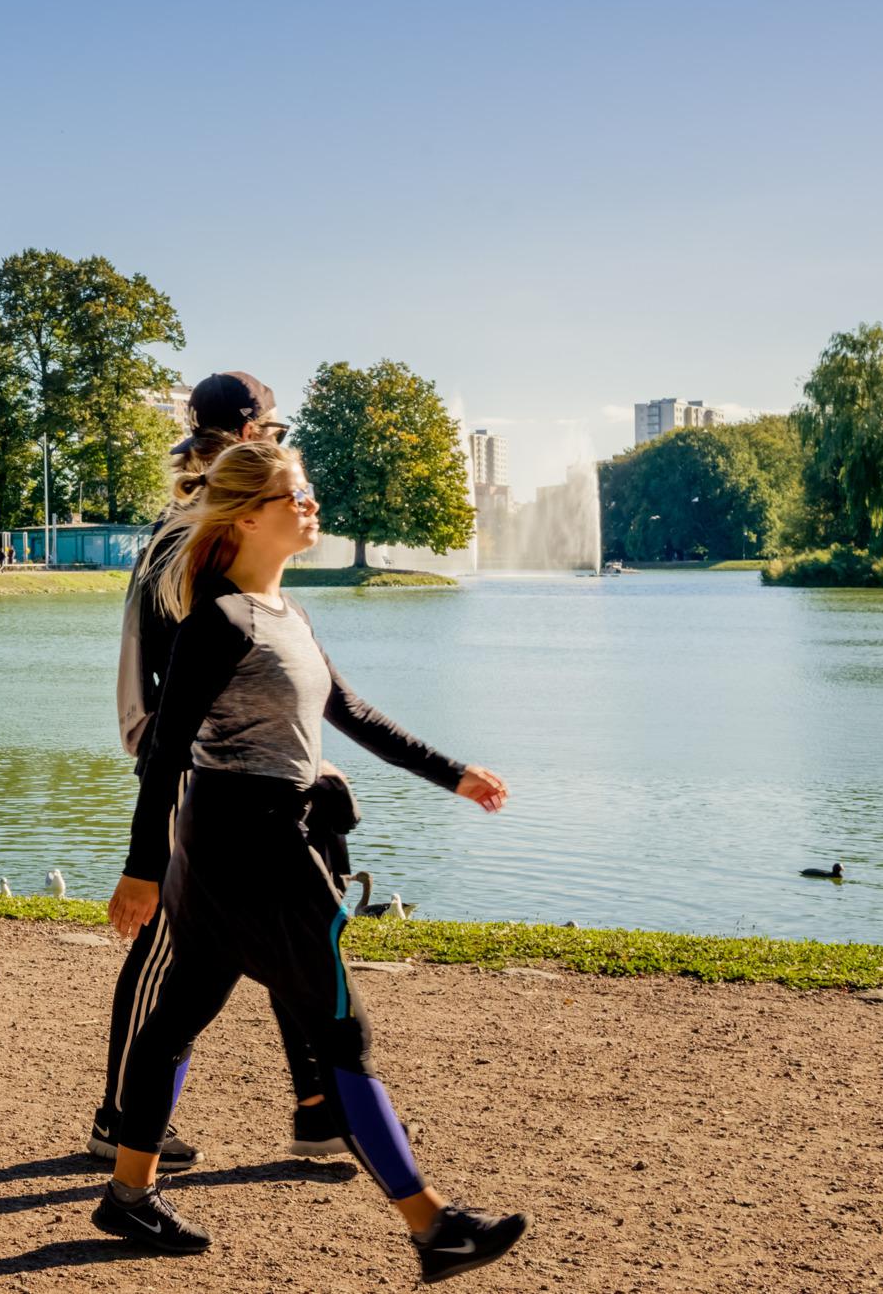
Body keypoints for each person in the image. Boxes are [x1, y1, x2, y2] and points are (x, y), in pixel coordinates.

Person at [95, 441, 527, 1283]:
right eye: (298, 495)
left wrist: (454, 774)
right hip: (253, 847)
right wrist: (141, 868)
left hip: (233, 846)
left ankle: (128, 1194)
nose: (312, 504)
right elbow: (166, 754)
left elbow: (352, 711)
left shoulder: (282, 612)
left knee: (179, 1015)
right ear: (249, 515)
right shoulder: (215, 622)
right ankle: (433, 1225)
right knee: (342, 1029)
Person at [94, 371, 333, 1173]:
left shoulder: (215, 528)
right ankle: (120, 1121)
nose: (277, 443)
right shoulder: (191, 536)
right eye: (270, 430)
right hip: (197, 767)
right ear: (250, 434)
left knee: (288, 926)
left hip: (231, 769)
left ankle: (316, 1108)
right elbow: (183, 682)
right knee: (168, 944)